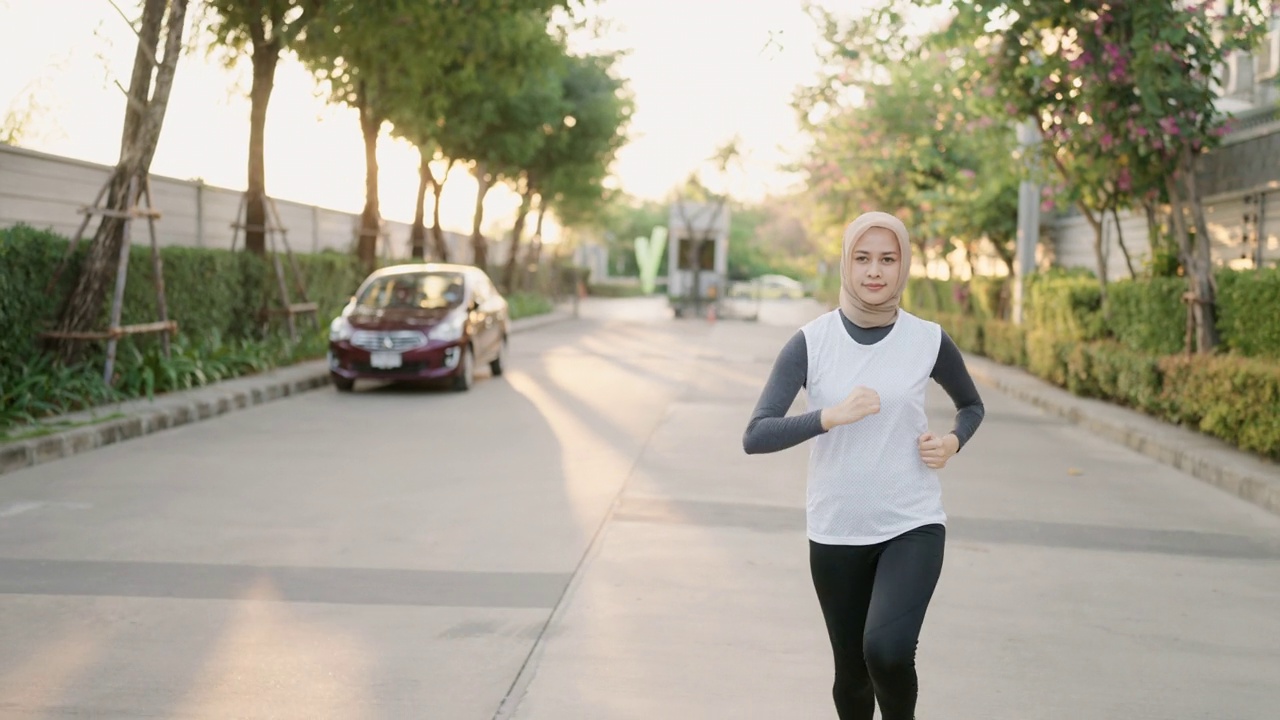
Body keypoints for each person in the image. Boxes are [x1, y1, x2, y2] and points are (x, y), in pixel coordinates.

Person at [742, 211, 984, 720]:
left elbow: (971, 405)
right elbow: (756, 434)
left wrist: (952, 442)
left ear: (904, 267)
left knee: (888, 652)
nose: (875, 271)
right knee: (851, 675)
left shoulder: (927, 339)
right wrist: (828, 416)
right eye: (863, 258)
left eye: (888, 259)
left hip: (911, 523)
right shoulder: (812, 342)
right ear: (846, 265)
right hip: (836, 530)